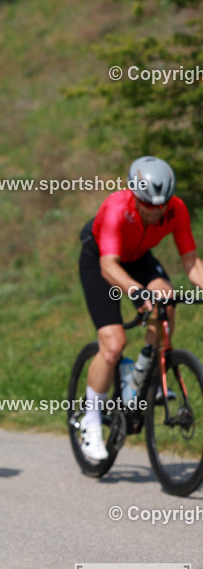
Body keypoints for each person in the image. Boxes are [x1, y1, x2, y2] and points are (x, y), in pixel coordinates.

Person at [77, 155, 203, 461]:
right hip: (102, 262)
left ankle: (146, 371)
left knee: (166, 300)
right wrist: (135, 290)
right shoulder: (116, 208)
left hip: (139, 258)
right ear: (135, 194)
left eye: (161, 205)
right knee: (113, 344)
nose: (155, 211)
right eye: (148, 205)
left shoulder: (176, 210)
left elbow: (191, 262)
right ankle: (90, 420)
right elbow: (109, 266)